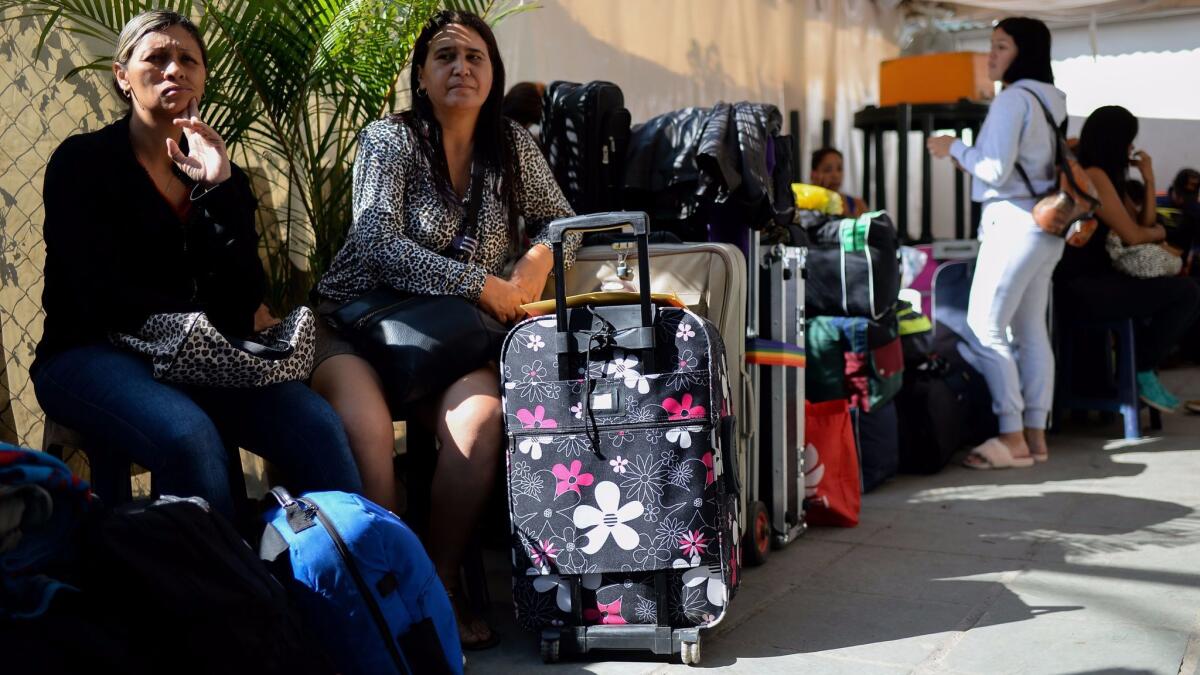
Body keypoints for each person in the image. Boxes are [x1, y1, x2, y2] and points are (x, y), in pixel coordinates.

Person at [310, 10, 578, 649]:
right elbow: (376, 242)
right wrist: (483, 284)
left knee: (480, 421)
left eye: (475, 57)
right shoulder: (390, 139)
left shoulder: (511, 144)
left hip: (447, 342)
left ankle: (439, 585)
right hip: (357, 328)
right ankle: (386, 593)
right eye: (444, 57)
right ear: (422, 75)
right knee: (370, 438)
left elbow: (564, 225)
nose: (460, 68)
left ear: (493, 73)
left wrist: (536, 261)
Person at [31, 10, 364, 519]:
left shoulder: (221, 175)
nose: (174, 70)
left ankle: (348, 579)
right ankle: (219, 591)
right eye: (156, 58)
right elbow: (96, 294)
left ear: (203, 78)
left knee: (315, 425)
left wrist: (217, 190)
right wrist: (198, 321)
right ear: (123, 76)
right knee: (189, 436)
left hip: (198, 356)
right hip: (89, 353)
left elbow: (239, 297)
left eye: (188, 59)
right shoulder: (83, 162)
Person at [926, 17, 1065, 468]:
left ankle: (1011, 435)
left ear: (1022, 52)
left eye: (1001, 46)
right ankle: (1036, 436)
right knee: (1029, 332)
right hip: (1047, 227)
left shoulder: (1012, 100)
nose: (991, 56)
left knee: (985, 327)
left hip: (1012, 223)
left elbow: (992, 170)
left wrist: (953, 147)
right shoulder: (1052, 99)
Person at [1055, 106, 1200, 411]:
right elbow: (1135, 235)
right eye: (1129, 140)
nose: (1132, 147)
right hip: (1083, 287)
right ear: (1115, 140)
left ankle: (1137, 368)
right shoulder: (1094, 175)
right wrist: (1160, 232)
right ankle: (1140, 369)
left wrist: (1148, 179)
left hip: (1101, 281)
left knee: (1178, 292)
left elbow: (1143, 223)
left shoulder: (1109, 176)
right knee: (1185, 293)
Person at [809, 147, 868, 216]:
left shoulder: (857, 205)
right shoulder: (804, 205)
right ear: (813, 175)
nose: (835, 175)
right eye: (828, 170)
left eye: (839, 169)